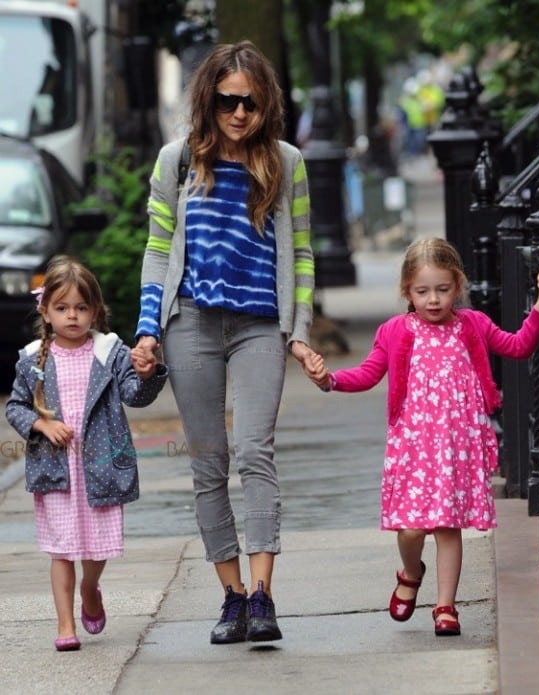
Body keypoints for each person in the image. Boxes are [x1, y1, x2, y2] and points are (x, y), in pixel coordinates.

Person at [132, 40, 318, 645]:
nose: (239, 113)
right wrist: (146, 327)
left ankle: (264, 594)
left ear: (267, 106)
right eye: (228, 101)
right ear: (207, 100)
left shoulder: (287, 163)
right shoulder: (177, 161)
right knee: (208, 463)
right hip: (191, 324)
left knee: (255, 451)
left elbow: (302, 251)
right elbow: (159, 251)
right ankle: (231, 598)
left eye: (251, 103)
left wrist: (301, 329)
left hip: (261, 324)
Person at [306, 238, 539, 636]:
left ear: (458, 286)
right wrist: (331, 380)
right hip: (414, 446)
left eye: (443, 289)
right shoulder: (395, 331)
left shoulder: (473, 325)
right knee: (413, 528)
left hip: (456, 447)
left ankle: (446, 606)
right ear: (407, 291)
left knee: (448, 526)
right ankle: (411, 570)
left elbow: (518, 346)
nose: (433, 299)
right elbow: (368, 373)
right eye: (422, 291)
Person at [5, 256, 168, 652]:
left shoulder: (110, 352)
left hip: (101, 467)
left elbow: (134, 395)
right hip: (56, 471)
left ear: (95, 310)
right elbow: (16, 407)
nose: (72, 316)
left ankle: (90, 587)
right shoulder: (33, 360)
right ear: (45, 311)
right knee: (61, 550)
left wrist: (148, 373)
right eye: (62, 308)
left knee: (96, 548)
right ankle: (65, 624)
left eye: (81, 308)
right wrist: (42, 425)